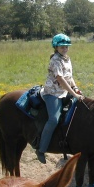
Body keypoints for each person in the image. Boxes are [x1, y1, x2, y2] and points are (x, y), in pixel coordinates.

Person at [36, 33, 84, 164]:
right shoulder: (55, 60)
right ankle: (41, 148)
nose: (65, 49)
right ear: (56, 47)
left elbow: (69, 76)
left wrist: (75, 88)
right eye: (62, 47)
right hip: (53, 93)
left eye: (66, 47)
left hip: (65, 91)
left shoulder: (67, 59)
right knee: (54, 119)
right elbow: (60, 78)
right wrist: (74, 95)